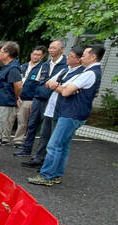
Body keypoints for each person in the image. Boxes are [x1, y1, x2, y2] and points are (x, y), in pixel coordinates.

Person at [28, 44, 103, 186]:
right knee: (62, 145)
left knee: (54, 144)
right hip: (75, 113)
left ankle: (47, 175)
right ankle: (56, 174)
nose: (82, 58)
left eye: (84, 55)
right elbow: (65, 88)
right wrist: (64, 88)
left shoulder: (89, 73)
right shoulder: (91, 71)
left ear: (93, 57)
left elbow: (66, 91)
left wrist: (59, 87)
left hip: (71, 113)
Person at [21, 47, 84, 169]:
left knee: (55, 141)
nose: (67, 57)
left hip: (61, 110)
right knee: (44, 136)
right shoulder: (66, 70)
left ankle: (49, 167)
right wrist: (56, 86)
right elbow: (48, 82)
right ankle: (39, 158)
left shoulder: (80, 73)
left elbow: (66, 91)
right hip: (51, 108)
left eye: (70, 56)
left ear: (78, 59)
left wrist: (56, 87)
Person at [15, 39, 66, 157]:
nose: (51, 50)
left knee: (45, 130)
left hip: (51, 100)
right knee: (31, 124)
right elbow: (37, 82)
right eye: (50, 47)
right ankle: (26, 149)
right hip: (38, 98)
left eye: (54, 48)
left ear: (62, 49)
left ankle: (40, 155)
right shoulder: (45, 64)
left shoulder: (65, 65)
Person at [12, 46, 47, 146]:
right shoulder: (23, 66)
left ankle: (18, 140)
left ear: (43, 56)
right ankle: (4, 138)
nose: (35, 57)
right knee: (10, 118)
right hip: (16, 96)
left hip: (28, 98)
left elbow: (39, 85)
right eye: (34, 54)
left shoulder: (42, 68)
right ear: (31, 54)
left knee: (22, 120)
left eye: (38, 55)